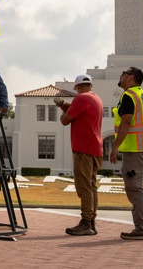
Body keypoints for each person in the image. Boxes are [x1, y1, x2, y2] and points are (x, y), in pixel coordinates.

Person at [109, 66, 143, 240]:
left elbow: (126, 122)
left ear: (132, 78)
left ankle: (142, 228)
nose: (121, 75)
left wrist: (115, 147)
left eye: (124, 73)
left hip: (135, 148)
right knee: (140, 187)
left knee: (134, 188)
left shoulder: (129, 96)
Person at [55, 73, 104, 235]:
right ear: (90, 85)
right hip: (95, 148)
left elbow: (65, 120)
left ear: (77, 87)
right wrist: (63, 104)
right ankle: (92, 221)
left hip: (83, 148)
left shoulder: (81, 99)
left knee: (83, 187)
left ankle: (86, 223)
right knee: (91, 186)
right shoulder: (96, 98)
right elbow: (76, 109)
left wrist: (63, 111)